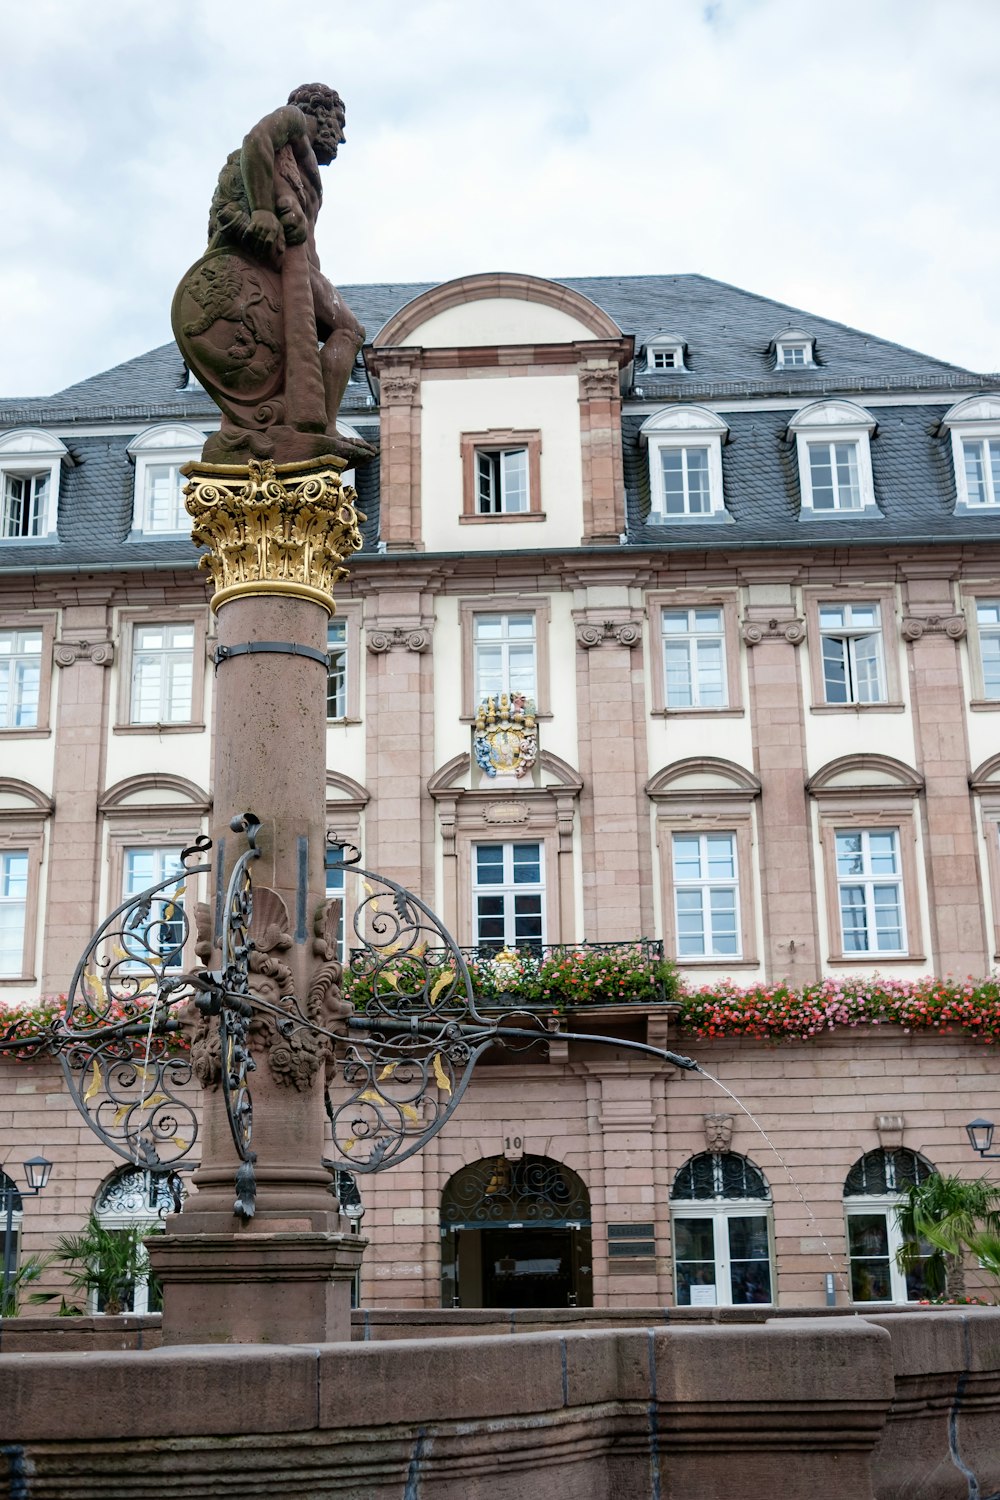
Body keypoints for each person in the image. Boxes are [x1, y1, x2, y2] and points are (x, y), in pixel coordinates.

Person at [175, 84, 371, 462]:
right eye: (339, 122)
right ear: (319, 111)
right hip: (280, 268)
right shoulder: (294, 121)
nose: (342, 137)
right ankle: (319, 427)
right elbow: (256, 140)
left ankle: (309, 425)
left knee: (306, 340)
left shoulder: (301, 163)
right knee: (349, 330)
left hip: (292, 272)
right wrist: (264, 211)